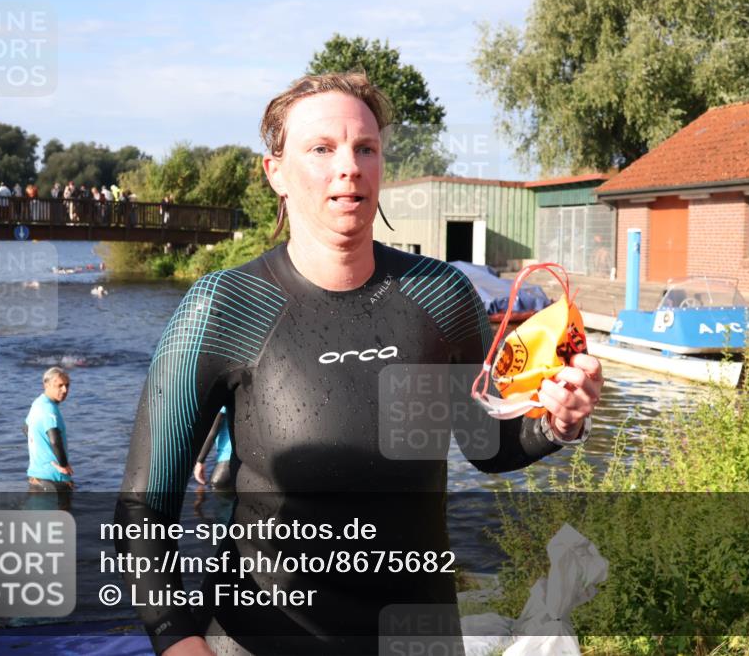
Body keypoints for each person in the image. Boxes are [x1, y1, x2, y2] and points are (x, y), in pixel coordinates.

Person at [115, 73, 603, 656]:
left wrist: (557, 421)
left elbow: (488, 443)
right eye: (321, 148)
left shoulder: (441, 296)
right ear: (276, 172)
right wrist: (177, 640)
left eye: (365, 148)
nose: (349, 165)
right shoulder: (225, 308)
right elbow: (143, 511)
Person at [24, 367, 73, 493]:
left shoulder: (37, 403)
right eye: (60, 385)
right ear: (46, 385)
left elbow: (26, 429)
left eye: (67, 385)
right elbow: (55, 439)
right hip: (53, 479)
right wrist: (64, 465)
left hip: (36, 476)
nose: (65, 390)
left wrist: (41, 451)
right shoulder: (49, 409)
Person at [192, 406, 235, 489]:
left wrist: (200, 461)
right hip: (246, 457)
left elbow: (213, 431)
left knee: (216, 484)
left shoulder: (221, 397)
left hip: (228, 458)